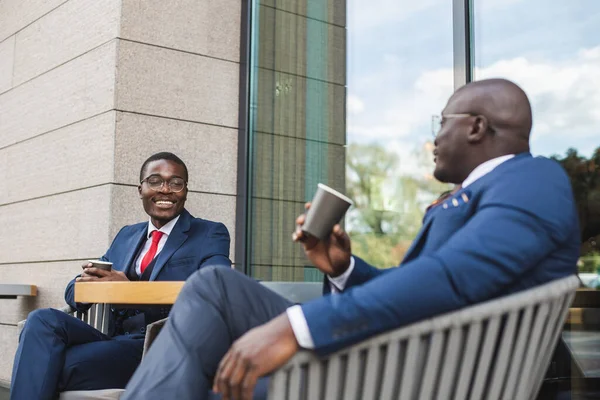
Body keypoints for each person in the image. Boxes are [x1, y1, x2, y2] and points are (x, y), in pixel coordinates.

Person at [122, 79, 580, 400]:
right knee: (214, 287)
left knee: (200, 366)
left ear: (477, 127)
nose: (434, 138)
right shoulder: (487, 192)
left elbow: (453, 278)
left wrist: (297, 327)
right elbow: (429, 288)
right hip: (407, 350)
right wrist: (344, 269)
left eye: (441, 122)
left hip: (421, 373)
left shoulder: (533, 178)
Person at [10, 152, 232, 400]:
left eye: (176, 183)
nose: (166, 190)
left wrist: (129, 291)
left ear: (186, 190)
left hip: (162, 344)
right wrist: (85, 284)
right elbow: (74, 293)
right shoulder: (127, 235)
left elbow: (216, 291)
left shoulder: (209, 233)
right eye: (155, 181)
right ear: (141, 189)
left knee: (45, 361)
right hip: (114, 339)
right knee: (41, 320)